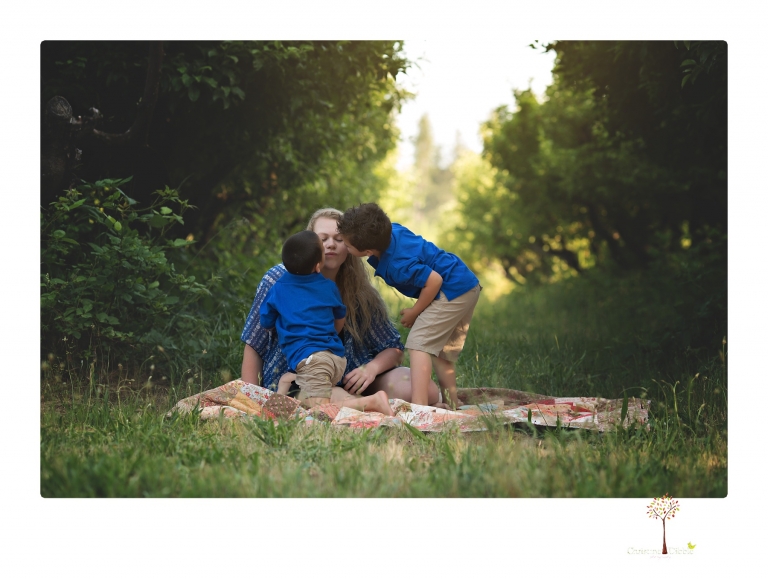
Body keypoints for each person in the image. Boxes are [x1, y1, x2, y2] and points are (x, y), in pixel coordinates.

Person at [240, 208, 440, 405]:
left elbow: (393, 348)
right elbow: (254, 342)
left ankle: (362, 402)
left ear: (352, 245)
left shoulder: (360, 292)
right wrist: (250, 398)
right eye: (322, 239)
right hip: (298, 377)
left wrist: (370, 369)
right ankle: (364, 405)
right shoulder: (278, 280)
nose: (331, 245)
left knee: (424, 389)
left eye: (339, 239)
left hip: (350, 377)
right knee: (327, 395)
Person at [337, 202, 481, 408]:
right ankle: (453, 404)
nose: (345, 247)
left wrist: (415, 312)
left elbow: (434, 280)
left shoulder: (397, 264)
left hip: (451, 289)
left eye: (347, 245)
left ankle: (419, 408)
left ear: (367, 250)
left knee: (418, 343)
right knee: (442, 353)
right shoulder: (391, 231)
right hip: (465, 284)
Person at [259, 230, 392, 415]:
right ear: (318, 266)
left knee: (319, 410)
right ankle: (287, 385)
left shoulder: (278, 288)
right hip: (336, 358)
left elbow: (265, 321)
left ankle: (373, 402)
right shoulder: (328, 286)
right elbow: (340, 317)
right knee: (308, 398)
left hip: (312, 360)